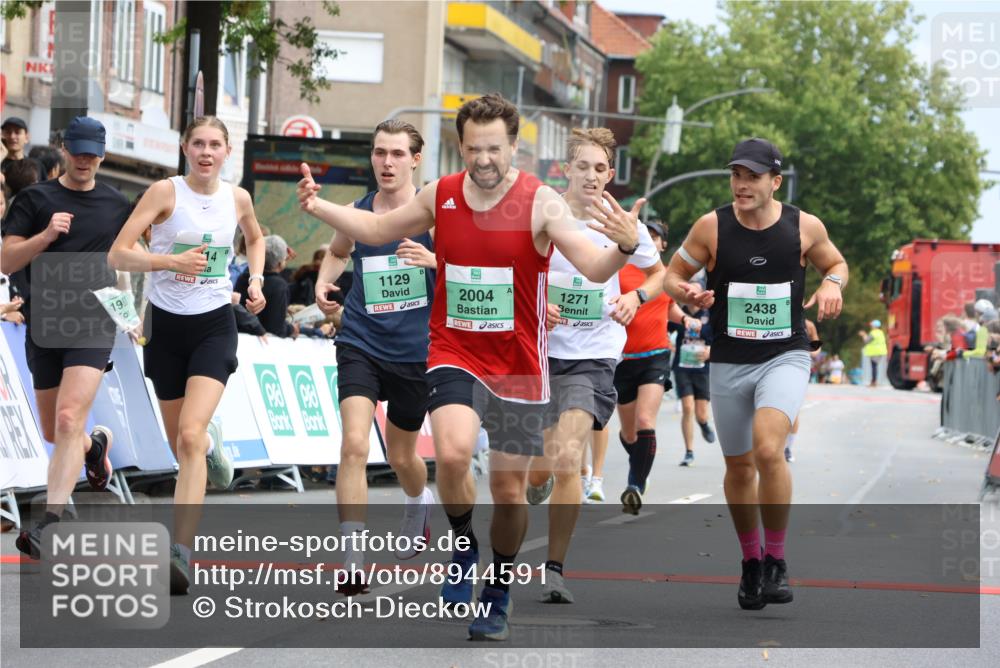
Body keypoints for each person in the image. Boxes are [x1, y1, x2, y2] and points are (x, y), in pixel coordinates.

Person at [297, 93, 641, 641]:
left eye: (495, 149)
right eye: (474, 148)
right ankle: (462, 544)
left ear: (513, 148)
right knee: (453, 452)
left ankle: (498, 585)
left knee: (507, 492)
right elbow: (379, 231)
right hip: (454, 351)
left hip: (518, 363)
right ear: (461, 147)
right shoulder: (442, 194)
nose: (484, 159)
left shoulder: (541, 202)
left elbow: (595, 266)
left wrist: (623, 249)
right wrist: (319, 208)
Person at [664, 137, 848, 610]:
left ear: (775, 182)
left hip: (784, 355)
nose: (741, 185)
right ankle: (750, 562)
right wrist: (686, 292)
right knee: (739, 466)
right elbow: (671, 275)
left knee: (769, 450)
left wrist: (831, 284)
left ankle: (777, 559)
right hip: (728, 359)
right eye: (736, 175)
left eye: (752, 177)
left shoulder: (803, 226)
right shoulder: (713, 226)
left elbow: (837, 264)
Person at [109, 116, 267, 595]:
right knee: (186, 442)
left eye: (214, 144)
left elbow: (255, 238)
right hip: (165, 324)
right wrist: (169, 261)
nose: (205, 152)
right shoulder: (163, 192)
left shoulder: (237, 197)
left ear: (226, 150)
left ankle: (180, 551)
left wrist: (254, 279)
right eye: (197, 143)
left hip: (213, 324)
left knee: (191, 434)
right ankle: (211, 445)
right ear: (184, 147)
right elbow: (119, 253)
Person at [523, 127, 662, 603]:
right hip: (541, 354)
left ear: (611, 173)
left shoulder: (622, 222)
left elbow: (660, 273)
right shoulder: (544, 211)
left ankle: (555, 569)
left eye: (600, 167)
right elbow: (513, 270)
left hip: (594, 357)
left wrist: (635, 294)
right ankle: (535, 482)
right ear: (566, 168)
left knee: (567, 459)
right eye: (581, 165)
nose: (590, 175)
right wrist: (538, 305)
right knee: (541, 469)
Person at [311, 119, 437, 594]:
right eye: (380, 152)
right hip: (360, 340)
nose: (386, 162)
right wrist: (325, 283)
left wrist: (433, 261)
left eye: (397, 154)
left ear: (415, 159)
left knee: (403, 454)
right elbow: (339, 251)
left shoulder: (432, 216)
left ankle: (416, 500)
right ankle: (353, 559)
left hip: (416, 353)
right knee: (355, 445)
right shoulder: (357, 211)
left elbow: (466, 272)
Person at [2, 116, 131, 558]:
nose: (84, 159)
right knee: (57, 430)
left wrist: (131, 313)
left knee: (68, 417)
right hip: (44, 322)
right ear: (63, 149)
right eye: (77, 150)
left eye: (93, 151)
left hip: (92, 322)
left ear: (103, 153)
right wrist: (45, 235)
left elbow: (131, 257)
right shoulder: (34, 198)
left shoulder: (117, 204)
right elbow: (5, 260)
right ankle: (95, 449)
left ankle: (46, 524)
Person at [614, 219, 698, 514]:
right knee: (628, 434)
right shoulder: (618, 266)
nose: (648, 239)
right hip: (622, 359)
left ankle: (635, 485)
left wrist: (685, 318)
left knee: (645, 421)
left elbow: (667, 305)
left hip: (655, 355)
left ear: (662, 244)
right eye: (643, 234)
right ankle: (639, 463)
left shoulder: (665, 274)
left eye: (654, 236)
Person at [669, 285, 716, 468]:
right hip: (682, 367)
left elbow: (719, 337)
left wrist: (710, 351)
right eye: (689, 293)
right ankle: (689, 452)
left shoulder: (709, 314)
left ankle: (703, 424)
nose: (692, 296)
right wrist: (666, 342)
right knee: (687, 407)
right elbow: (664, 327)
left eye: (696, 293)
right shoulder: (678, 312)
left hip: (702, 368)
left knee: (701, 413)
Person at [234, 235, 297, 338]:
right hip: (262, 343)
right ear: (280, 263)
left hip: (239, 337)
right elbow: (276, 328)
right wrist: (291, 329)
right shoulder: (279, 286)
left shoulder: (244, 277)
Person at [785, 318, 820, 462]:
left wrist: (811, 351)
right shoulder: (780, 316)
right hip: (776, 364)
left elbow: (816, 347)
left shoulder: (808, 325)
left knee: (794, 409)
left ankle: (788, 448)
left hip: (799, 367)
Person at [858, 319, 887, 387]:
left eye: (872, 325)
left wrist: (864, 335)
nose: (871, 326)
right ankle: (874, 381)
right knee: (875, 367)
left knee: (874, 367)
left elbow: (866, 341)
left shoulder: (874, 333)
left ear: (874, 326)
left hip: (875, 352)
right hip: (880, 351)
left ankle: (874, 382)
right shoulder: (880, 332)